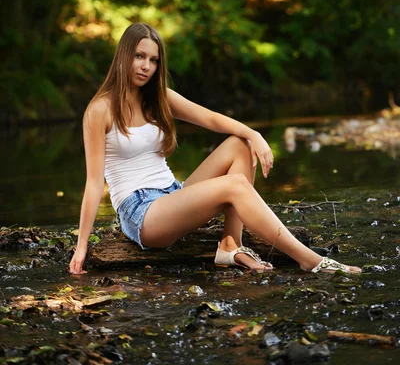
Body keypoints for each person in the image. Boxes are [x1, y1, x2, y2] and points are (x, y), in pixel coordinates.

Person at [69, 23, 361, 275]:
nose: (146, 66)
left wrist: (254, 134)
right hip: (141, 213)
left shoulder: (158, 97)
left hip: (173, 194)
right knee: (234, 185)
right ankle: (310, 261)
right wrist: (82, 247)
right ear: (123, 56)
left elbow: (210, 118)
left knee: (240, 145)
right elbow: (94, 183)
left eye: (154, 60)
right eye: (139, 56)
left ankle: (230, 245)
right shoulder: (100, 110)